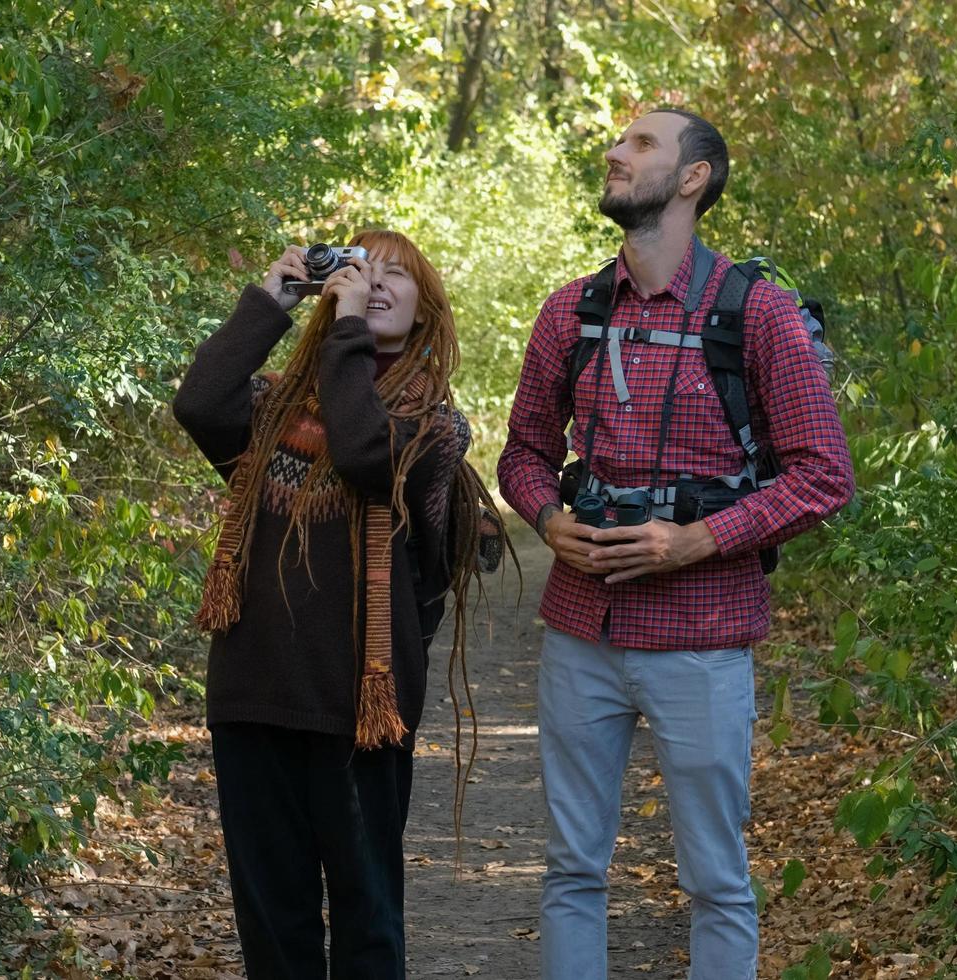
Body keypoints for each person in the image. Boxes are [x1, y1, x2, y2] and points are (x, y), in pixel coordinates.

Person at [496, 108, 855, 978]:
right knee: (572, 868)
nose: (614, 152)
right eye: (618, 141)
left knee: (714, 880)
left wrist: (694, 541)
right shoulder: (570, 312)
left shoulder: (756, 314)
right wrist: (549, 520)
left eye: (641, 144)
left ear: (694, 178)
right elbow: (523, 453)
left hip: (702, 637)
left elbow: (822, 476)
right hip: (582, 630)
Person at [173, 230, 502, 980]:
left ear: (426, 313)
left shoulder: (436, 429)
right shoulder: (269, 411)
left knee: (366, 921)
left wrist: (344, 330)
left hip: (361, 705)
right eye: (358, 270)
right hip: (254, 693)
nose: (373, 282)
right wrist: (268, 304)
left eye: (396, 275)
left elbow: (362, 453)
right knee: (273, 925)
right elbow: (197, 402)